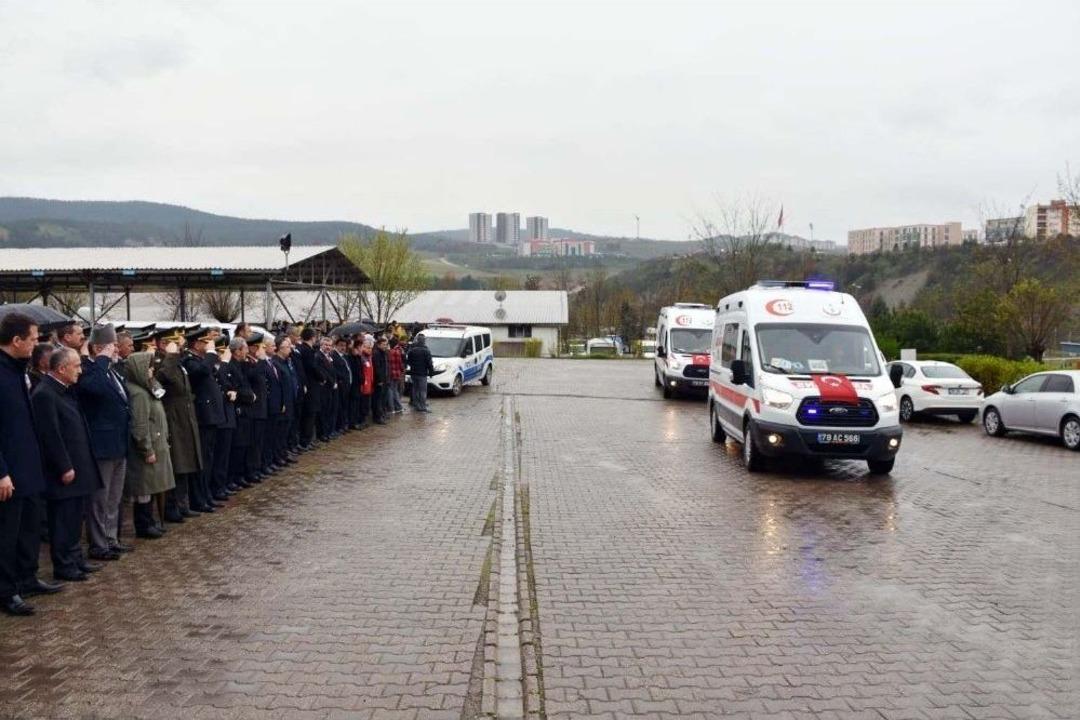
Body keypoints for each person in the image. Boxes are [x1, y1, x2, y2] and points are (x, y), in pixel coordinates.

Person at [0, 313, 60, 617]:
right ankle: (7, 591)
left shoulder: (18, 370)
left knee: (29, 528)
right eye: (33, 339)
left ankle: (27, 576)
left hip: (29, 467)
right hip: (10, 472)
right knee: (7, 535)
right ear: (16, 341)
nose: (37, 344)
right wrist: (2, 472)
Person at [31, 347, 105, 583]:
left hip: (79, 466)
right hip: (63, 471)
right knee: (63, 519)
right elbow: (50, 434)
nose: (80, 371)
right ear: (62, 369)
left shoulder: (65, 391)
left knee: (75, 517)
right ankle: (63, 564)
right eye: (76, 366)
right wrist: (64, 466)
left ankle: (75, 558)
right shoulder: (45, 393)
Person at [76, 324, 133, 561]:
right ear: (98, 348)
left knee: (113, 497)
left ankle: (111, 538)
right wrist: (100, 359)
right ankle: (98, 544)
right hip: (102, 445)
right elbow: (95, 390)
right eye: (112, 346)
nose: (117, 350)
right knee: (100, 499)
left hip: (119, 443)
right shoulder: (90, 370)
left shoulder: (111, 370)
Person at [125, 351, 175, 539]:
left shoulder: (147, 388)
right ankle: (143, 524)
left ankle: (151, 521)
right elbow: (140, 425)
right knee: (144, 489)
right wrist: (147, 449)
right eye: (148, 367)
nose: (152, 370)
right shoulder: (138, 393)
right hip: (148, 448)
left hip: (157, 444)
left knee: (153, 486)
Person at [153, 330, 202, 521]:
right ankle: (171, 508)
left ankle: (183, 504)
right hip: (173, 420)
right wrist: (171, 356)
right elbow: (164, 380)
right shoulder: (161, 363)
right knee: (176, 464)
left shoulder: (178, 363)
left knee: (185, 464)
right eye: (175, 343)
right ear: (164, 344)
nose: (180, 346)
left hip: (184, 418)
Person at [183, 328, 225, 513]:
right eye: (205, 342)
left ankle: (206, 495)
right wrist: (210, 354)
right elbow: (200, 372)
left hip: (211, 415)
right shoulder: (190, 361)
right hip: (203, 416)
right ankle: (198, 499)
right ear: (196, 343)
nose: (209, 344)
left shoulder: (201, 360)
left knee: (209, 458)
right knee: (202, 461)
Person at [227, 337, 257, 490]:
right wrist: (250, 397)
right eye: (245, 349)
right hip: (239, 411)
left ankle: (239, 476)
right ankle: (233, 478)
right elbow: (235, 390)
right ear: (237, 351)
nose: (247, 351)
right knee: (237, 448)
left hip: (246, 411)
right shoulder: (232, 366)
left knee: (244, 446)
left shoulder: (242, 365)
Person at [243, 333, 270, 484]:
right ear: (253, 348)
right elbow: (252, 376)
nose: (262, 350)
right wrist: (260, 361)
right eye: (260, 347)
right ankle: (251, 470)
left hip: (261, 407)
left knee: (259, 441)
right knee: (253, 443)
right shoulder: (248, 362)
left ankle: (257, 467)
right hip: (253, 409)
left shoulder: (257, 362)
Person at [270, 336, 298, 468]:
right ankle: (278, 455)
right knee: (279, 432)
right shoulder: (276, 363)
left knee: (286, 430)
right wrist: (282, 403)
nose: (290, 349)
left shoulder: (287, 362)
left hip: (290, 400)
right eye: (287, 347)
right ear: (280, 349)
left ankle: (283, 453)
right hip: (282, 403)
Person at [297, 328, 323, 449]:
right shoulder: (307, 350)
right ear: (312, 337)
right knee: (309, 414)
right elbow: (313, 367)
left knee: (310, 414)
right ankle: (306, 440)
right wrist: (322, 377)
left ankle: (307, 439)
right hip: (311, 385)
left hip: (309, 384)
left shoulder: (304, 349)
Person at [406, 334, 435, 413]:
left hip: (413, 373)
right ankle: (422, 406)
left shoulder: (412, 350)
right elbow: (429, 363)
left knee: (415, 389)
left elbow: (408, 361)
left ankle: (416, 404)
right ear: (424, 341)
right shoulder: (426, 351)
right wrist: (431, 372)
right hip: (422, 373)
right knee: (422, 390)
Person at [332, 337, 352, 433]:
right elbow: (335, 371)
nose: (343, 348)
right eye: (341, 346)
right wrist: (342, 379)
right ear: (336, 346)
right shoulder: (334, 356)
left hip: (347, 385)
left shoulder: (344, 356)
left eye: (344, 346)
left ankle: (343, 424)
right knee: (339, 407)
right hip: (340, 385)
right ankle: (339, 426)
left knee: (345, 406)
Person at [371, 335, 390, 424]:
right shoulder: (376, 354)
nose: (385, 346)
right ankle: (377, 417)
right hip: (379, 381)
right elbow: (377, 368)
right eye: (383, 344)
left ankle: (381, 414)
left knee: (382, 399)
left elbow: (386, 367)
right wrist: (379, 380)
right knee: (377, 399)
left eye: (386, 344)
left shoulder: (384, 353)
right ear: (378, 345)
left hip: (385, 380)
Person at [357, 337, 375, 426]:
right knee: (362, 404)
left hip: (369, 385)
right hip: (364, 385)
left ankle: (364, 419)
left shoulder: (369, 358)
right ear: (363, 347)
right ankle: (360, 420)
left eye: (371, 348)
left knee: (366, 403)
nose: (370, 350)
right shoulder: (362, 358)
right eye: (368, 348)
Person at [388, 337, 406, 414]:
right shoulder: (398, 351)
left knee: (391, 391)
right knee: (395, 390)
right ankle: (398, 407)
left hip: (391, 373)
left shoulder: (390, 352)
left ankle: (392, 408)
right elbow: (400, 363)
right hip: (397, 373)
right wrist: (402, 371)